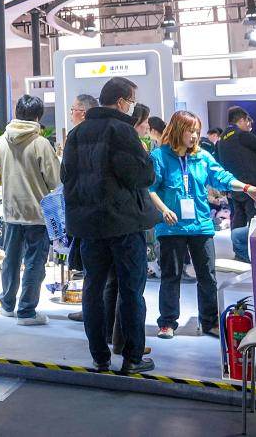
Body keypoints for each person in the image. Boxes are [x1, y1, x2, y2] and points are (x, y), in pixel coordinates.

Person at [62, 77, 159, 375]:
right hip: (123, 223)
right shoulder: (122, 131)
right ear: (121, 101)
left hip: (88, 225)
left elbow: (66, 177)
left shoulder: (77, 134)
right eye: (131, 101)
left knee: (93, 288)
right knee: (131, 291)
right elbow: (142, 176)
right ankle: (132, 358)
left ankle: (99, 357)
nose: (131, 107)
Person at [148, 111, 256, 340]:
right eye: (190, 131)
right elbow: (150, 188)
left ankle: (210, 321)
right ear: (177, 130)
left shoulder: (202, 157)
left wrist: (247, 188)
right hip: (171, 227)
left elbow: (222, 177)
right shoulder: (159, 157)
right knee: (171, 275)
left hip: (201, 225)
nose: (194, 136)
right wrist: (164, 210)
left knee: (207, 277)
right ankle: (167, 322)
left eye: (197, 131)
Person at [0, 95, 60, 326]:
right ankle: (27, 312)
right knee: (34, 263)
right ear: (38, 117)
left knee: (11, 260)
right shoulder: (41, 144)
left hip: (11, 212)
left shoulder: (2, 141)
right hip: (37, 214)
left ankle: (7, 305)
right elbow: (55, 180)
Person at [64, 93, 98, 324]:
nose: (71, 113)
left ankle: (91, 313)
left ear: (83, 113)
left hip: (84, 211)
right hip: (101, 211)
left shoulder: (76, 136)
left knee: (91, 268)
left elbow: (66, 174)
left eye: (73, 109)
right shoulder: (105, 133)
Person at [216, 107, 256, 237]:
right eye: (248, 122)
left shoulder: (221, 140)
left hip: (235, 187)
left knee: (238, 221)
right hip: (253, 187)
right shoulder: (242, 135)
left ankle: (238, 247)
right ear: (242, 120)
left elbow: (219, 164)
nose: (249, 126)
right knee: (255, 224)